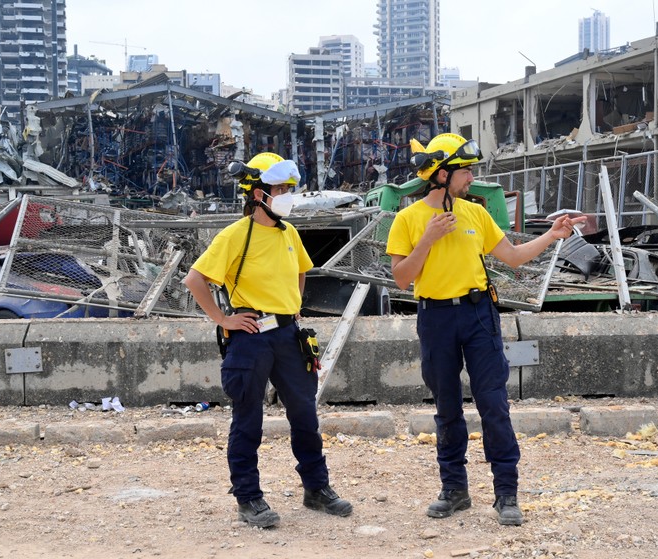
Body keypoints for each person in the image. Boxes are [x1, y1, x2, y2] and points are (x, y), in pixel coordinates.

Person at [386, 133, 585, 526]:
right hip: (436, 318)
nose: (472, 177)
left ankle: (506, 493)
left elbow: (512, 256)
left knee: (493, 403)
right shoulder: (407, 219)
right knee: (446, 407)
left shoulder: (475, 214)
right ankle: (454, 490)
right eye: (465, 171)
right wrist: (428, 239)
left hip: (478, 315)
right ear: (441, 174)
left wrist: (552, 235)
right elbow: (402, 279)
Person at [184, 152, 352, 528]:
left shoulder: (289, 233)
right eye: (280, 189)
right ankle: (249, 498)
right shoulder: (235, 235)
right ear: (258, 193)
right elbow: (195, 279)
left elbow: (302, 270)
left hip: (289, 336)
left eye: (290, 188)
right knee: (248, 420)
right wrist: (224, 319)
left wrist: (293, 306)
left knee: (305, 415)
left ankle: (317, 489)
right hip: (251, 337)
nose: (287, 195)